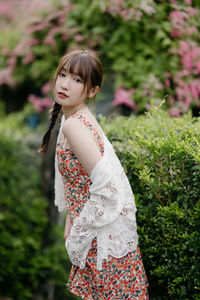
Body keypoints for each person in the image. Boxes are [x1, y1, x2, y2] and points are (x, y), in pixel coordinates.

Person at [38, 49, 149, 299]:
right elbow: (83, 181)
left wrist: (79, 230)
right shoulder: (76, 118)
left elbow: (108, 186)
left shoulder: (75, 124)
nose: (65, 84)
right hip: (104, 239)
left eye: (77, 80)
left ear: (92, 91)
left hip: (103, 244)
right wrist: (72, 217)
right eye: (63, 74)